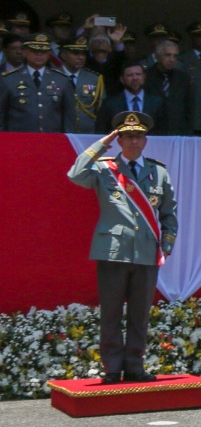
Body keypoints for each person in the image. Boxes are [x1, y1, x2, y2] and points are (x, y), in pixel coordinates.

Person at [66, 111, 177, 383]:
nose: (133, 142)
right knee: (112, 312)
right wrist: (103, 143)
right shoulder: (105, 168)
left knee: (139, 315)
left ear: (145, 140)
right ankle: (112, 369)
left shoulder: (158, 172)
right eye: (127, 136)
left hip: (147, 252)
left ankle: (135, 367)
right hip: (113, 251)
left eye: (138, 136)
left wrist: (167, 244)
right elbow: (75, 174)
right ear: (119, 139)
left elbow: (169, 214)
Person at [0, 33, 72, 132]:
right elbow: (1, 115)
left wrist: (68, 141)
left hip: (52, 141)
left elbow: (69, 116)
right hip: (19, 141)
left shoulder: (62, 79)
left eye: (43, 51)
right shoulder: (9, 79)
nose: (39, 54)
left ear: (49, 53)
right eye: (34, 51)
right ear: (24, 52)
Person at [97, 61, 169, 135]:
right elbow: (102, 131)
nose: (135, 78)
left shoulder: (157, 103)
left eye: (138, 74)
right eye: (130, 75)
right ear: (122, 79)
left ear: (144, 77)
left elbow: (163, 131)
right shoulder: (110, 104)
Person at [57, 36, 104, 135]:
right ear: (63, 55)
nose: (81, 57)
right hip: (59, 134)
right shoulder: (53, 77)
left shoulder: (94, 78)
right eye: (75, 53)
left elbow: (100, 109)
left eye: (83, 53)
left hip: (87, 135)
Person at [148, 41, 196, 136]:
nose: (172, 59)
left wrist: (189, 131)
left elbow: (189, 108)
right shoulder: (146, 77)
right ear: (157, 56)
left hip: (178, 132)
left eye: (175, 56)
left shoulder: (183, 78)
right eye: (168, 55)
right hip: (152, 132)